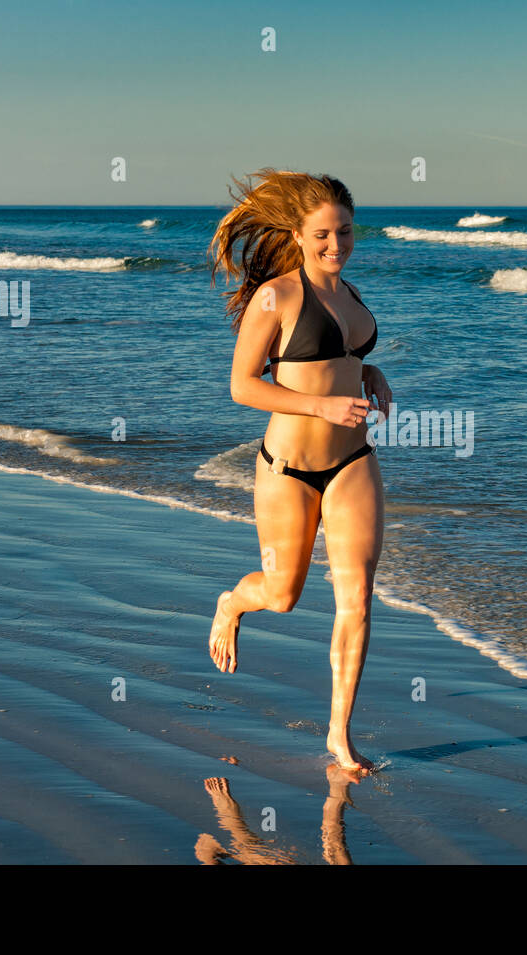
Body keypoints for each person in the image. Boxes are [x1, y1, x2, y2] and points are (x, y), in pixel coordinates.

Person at [206, 169, 392, 772]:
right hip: (287, 468)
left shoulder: (353, 294)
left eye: (344, 232)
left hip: (352, 461)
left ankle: (338, 735)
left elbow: (343, 358)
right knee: (283, 596)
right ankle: (232, 603)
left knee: (357, 598)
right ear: (297, 232)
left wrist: (370, 374)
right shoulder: (277, 296)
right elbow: (242, 386)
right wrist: (320, 404)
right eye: (322, 234)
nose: (335, 245)